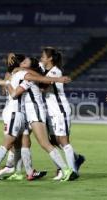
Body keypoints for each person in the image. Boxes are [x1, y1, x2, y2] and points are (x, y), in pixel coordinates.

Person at [5, 56, 75, 181]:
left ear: (30, 66)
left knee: (44, 143)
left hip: (34, 111)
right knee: (22, 143)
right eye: (22, 61)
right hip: (26, 112)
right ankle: (21, 172)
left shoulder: (29, 76)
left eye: (26, 61)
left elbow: (41, 79)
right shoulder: (22, 74)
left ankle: (66, 170)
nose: (22, 62)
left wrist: (58, 78)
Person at [40, 47, 85, 180]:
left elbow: (43, 87)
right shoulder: (45, 71)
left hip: (60, 110)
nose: (41, 58)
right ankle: (74, 160)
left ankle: (72, 171)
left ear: (50, 58)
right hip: (51, 111)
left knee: (64, 141)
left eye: (43, 56)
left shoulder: (55, 72)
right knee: (53, 141)